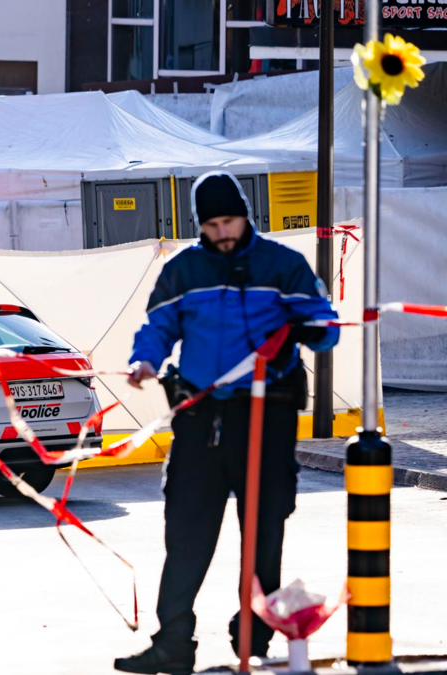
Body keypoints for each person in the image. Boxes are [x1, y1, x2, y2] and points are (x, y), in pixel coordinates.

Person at [114, 172, 340, 675]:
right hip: (198, 420)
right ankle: (172, 643)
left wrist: (313, 327)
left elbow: (326, 328)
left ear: (246, 215)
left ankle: (254, 635)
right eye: (212, 224)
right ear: (201, 226)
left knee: (264, 531)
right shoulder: (184, 270)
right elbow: (157, 326)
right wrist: (144, 360)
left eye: (230, 220)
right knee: (186, 532)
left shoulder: (284, 265)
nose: (222, 231)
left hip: (267, 417)